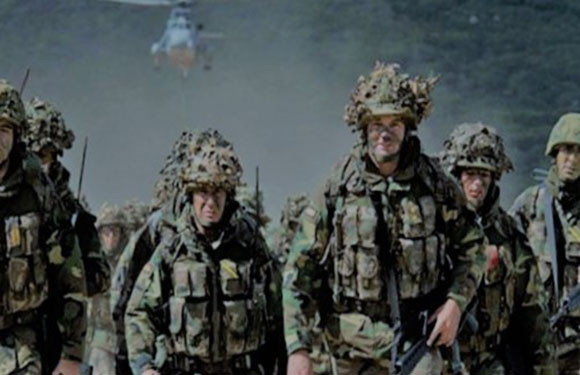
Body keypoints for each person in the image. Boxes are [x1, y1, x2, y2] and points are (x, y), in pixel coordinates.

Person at [283, 62, 486, 375]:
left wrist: (455, 304)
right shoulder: (338, 186)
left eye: (395, 122)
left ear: (407, 127)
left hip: (416, 339)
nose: (385, 132)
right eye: (377, 122)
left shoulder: (436, 185)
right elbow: (298, 271)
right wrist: (298, 347)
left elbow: (473, 247)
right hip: (349, 345)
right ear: (364, 126)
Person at [125, 129, 286, 375]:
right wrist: (145, 367)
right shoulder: (173, 248)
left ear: (228, 195)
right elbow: (139, 311)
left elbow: (278, 311)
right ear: (190, 195)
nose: (210, 203)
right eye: (203, 193)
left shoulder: (250, 244)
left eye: (217, 193)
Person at [439, 122, 553, 374]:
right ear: (456, 175)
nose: (476, 184)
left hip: (490, 360)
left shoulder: (508, 235)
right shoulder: (435, 230)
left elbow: (532, 313)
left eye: (485, 175)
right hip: (438, 358)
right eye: (469, 173)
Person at [0, 80, 87, 375]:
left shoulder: (37, 191)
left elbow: (69, 276)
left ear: (16, 135)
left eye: (4, 130)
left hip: (21, 346)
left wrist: (71, 352)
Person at [510, 113, 580, 374]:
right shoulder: (530, 205)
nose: (571, 159)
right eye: (566, 151)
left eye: (578, 152)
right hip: (537, 341)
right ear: (554, 153)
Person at [24, 97, 110, 297]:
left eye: (44, 156)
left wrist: (69, 270)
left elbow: (100, 275)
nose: (38, 164)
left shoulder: (71, 213)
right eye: (31, 155)